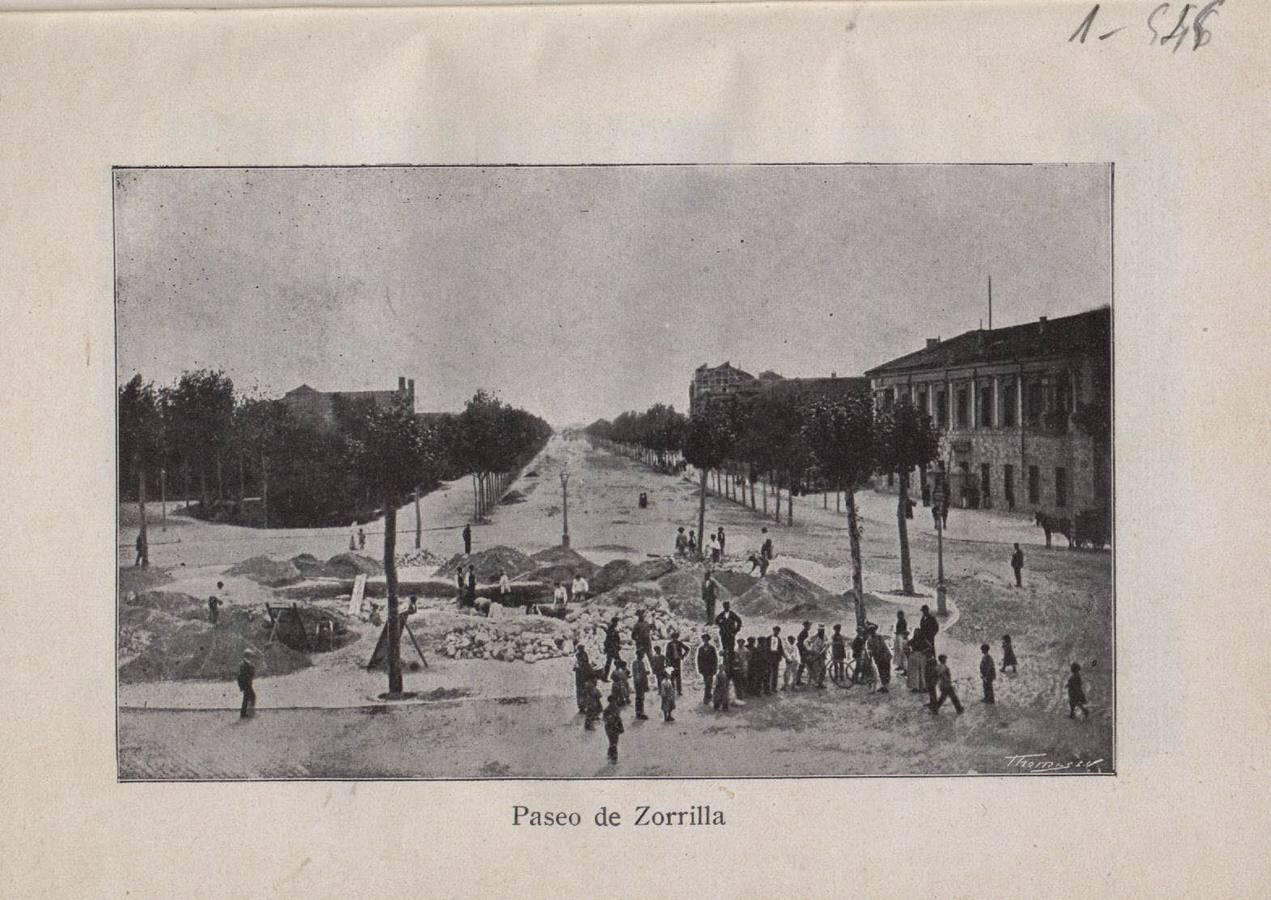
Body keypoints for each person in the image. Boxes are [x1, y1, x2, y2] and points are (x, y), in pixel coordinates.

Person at [868, 625, 892, 693]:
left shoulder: (879, 637)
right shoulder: (869, 640)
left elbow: (882, 646)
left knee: (886, 671)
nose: (872, 631)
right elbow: (869, 649)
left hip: (885, 656)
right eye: (871, 630)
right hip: (878, 658)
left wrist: (873, 652)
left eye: (873, 630)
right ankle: (884, 686)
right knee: (881, 672)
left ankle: (886, 687)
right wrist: (871, 655)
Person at [664, 631, 689, 696]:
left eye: (676, 637)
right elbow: (667, 654)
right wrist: (667, 662)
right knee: (671, 676)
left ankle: (679, 691)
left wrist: (683, 656)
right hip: (671, 661)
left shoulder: (679, 643)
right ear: (672, 638)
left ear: (677, 637)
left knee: (678, 676)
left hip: (677, 661)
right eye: (673, 637)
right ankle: (672, 690)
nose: (674, 639)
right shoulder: (669, 644)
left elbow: (687, 649)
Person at [696, 633, 718, 704]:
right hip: (704, 669)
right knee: (706, 682)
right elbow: (698, 659)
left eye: (706, 639)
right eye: (704, 639)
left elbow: (715, 659)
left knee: (709, 682)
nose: (705, 640)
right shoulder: (700, 649)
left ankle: (706, 697)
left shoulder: (712, 648)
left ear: (708, 640)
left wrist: (715, 668)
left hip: (710, 668)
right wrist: (699, 669)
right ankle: (709, 695)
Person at [603, 695, 624, 763]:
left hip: (616, 727)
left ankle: (610, 752)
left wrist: (621, 726)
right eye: (613, 701)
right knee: (613, 742)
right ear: (610, 702)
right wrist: (611, 719)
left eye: (615, 701)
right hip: (610, 727)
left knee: (614, 742)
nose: (614, 702)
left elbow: (619, 718)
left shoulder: (617, 709)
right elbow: (605, 719)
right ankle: (614, 757)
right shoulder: (607, 710)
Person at [236, 650, 257, 719]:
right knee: (251, 697)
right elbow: (242, 676)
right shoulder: (245, 664)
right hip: (246, 684)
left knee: (248, 697)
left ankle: (245, 712)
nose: (251, 657)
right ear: (248, 656)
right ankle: (248, 712)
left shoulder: (245, 663)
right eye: (251, 656)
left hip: (246, 684)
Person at [632, 652, 651, 720]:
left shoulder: (636, 662)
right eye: (642, 655)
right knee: (640, 698)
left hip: (639, 682)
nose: (643, 656)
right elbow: (638, 674)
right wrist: (645, 673)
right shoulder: (638, 663)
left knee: (640, 698)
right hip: (639, 682)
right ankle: (640, 713)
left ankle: (639, 712)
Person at [794, 621, 811, 686]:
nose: (809, 627)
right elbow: (801, 642)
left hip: (802, 650)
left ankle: (798, 680)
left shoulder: (805, 632)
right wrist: (804, 650)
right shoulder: (804, 633)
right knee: (802, 665)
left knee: (803, 665)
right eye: (808, 626)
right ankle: (798, 681)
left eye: (809, 626)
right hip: (802, 651)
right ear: (805, 626)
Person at [767, 626, 782, 693]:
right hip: (770, 658)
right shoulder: (768, 638)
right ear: (773, 630)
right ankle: (768, 688)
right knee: (769, 673)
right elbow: (766, 647)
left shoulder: (779, 639)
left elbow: (780, 648)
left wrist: (779, 656)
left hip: (776, 658)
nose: (777, 632)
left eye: (778, 631)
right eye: (776, 630)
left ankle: (774, 687)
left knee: (775, 673)